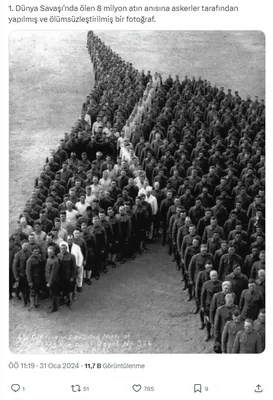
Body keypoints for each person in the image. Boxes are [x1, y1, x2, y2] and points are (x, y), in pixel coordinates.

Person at [200, 270, 222, 341]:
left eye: (215, 275)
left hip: (218, 306)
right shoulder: (206, 284)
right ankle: (208, 334)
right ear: (210, 276)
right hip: (208, 306)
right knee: (208, 320)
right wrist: (202, 306)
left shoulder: (221, 284)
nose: (214, 277)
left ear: (217, 276)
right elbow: (203, 295)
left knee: (217, 320)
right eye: (212, 276)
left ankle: (216, 334)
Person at [12, 241, 32, 307]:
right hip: (21, 274)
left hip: (29, 274)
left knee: (28, 288)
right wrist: (16, 276)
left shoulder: (30, 253)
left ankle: (28, 298)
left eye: (27, 245)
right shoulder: (18, 254)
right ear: (21, 246)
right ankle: (24, 300)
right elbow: (14, 266)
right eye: (24, 245)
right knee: (22, 288)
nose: (25, 247)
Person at [58, 243, 77, 308]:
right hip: (61, 276)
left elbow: (74, 268)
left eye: (64, 248)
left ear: (67, 249)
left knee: (70, 289)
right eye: (61, 249)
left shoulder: (72, 256)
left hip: (68, 276)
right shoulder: (59, 255)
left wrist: (73, 277)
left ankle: (70, 300)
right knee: (61, 288)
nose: (62, 250)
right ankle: (62, 299)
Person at [26, 246, 44, 310]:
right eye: (35, 251)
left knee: (37, 291)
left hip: (38, 279)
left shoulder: (39, 259)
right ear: (32, 252)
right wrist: (30, 281)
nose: (36, 253)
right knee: (32, 292)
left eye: (37, 251)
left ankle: (36, 303)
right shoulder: (30, 260)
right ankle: (32, 304)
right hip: (33, 279)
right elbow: (28, 271)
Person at [45, 246, 60, 313]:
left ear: (54, 252)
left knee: (54, 294)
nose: (49, 253)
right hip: (48, 279)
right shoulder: (49, 259)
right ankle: (54, 305)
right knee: (51, 294)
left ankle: (54, 307)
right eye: (48, 252)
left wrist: (50, 282)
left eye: (51, 252)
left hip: (53, 281)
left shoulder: (55, 261)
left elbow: (53, 273)